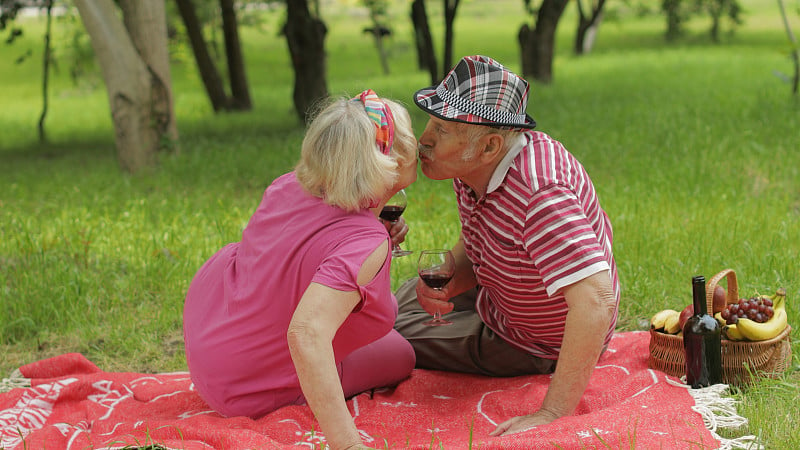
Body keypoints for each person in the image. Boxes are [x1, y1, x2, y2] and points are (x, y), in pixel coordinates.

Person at [394, 55, 620, 436]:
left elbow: (597, 302)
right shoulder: (472, 166)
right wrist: (451, 281)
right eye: (430, 122)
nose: (424, 139)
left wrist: (551, 414)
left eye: (442, 130)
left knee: (389, 335)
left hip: (533, 340)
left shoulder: (542, 196)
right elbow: (481, 232)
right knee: (385, 305)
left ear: (489, 146)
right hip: (499, 295)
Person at [183, 89, 418, 450]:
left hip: (212, 348)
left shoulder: (287, 185)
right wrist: (348, 444)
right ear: (394, 158)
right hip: (246, 389)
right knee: (401, 354)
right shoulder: (365, 242)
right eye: (410, 137)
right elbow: (306, 334)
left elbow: (298, 246)